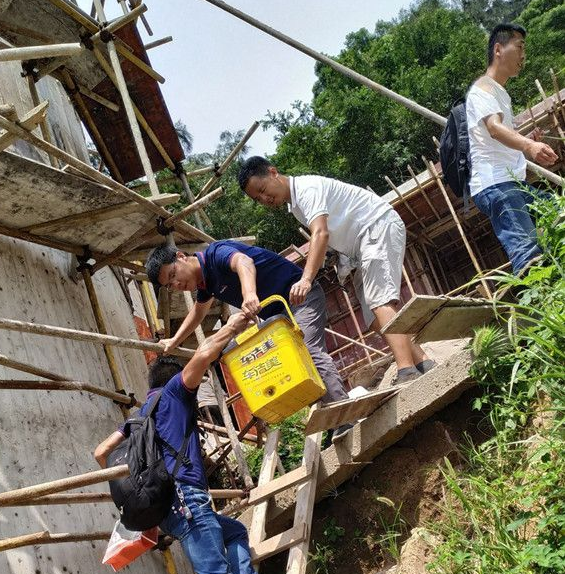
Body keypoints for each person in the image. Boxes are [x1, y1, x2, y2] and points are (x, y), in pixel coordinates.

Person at [238, 157, 434, 385]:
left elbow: (320, 234)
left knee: (380, 301)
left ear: (273, 172)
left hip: (376, 227)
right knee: (373, 317)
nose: (264, 199)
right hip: (362, 246)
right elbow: (327, 235)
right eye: (257, 198)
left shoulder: (306, 189)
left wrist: (306, 279)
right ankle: (423, 361)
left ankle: (406, 370)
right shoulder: (297, 207)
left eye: (262, 190)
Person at [94, 313, 258, 574]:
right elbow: (203, 355)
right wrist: (231, 327)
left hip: (166, 514)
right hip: (187, 502)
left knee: (235, 532)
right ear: (175, 378)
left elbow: (101, 452)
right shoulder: (174, 392)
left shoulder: (137, 418)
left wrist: (138, 490)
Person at [145, 240, 353, 441]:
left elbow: (243, 262)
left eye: (173, 275)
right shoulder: (206, 284)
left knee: (307, 353)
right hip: (279, 316)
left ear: (180, 257)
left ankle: (345, 417)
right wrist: (173, 341)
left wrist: (249, 295)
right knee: (294, 369)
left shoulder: (215, 254)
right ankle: (332, 423)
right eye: (170, 284)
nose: (177, 284)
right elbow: (198, 313)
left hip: (300, 297)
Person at [466, 23, 558, 273]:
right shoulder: (482, 89)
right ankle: (538, 307)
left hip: (511, 184)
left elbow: (496, 138)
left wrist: (527, 138)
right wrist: (529, 145)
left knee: (558, 212)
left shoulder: (500, 93)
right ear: (498, 49)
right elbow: (495, 130)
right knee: (528, 258)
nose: (523, 56)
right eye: (519, 47)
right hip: (496, 185)